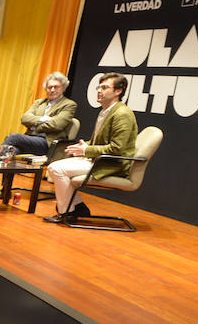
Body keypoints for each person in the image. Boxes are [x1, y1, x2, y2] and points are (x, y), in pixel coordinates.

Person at [46, 72, 138, 223]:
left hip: (111, 164)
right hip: (98, 159)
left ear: (118, 91)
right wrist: (85, 145)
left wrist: (86, 150)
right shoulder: (106, 110)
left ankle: (68, 212)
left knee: (56, 169)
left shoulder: (122, 114)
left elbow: (117, 148)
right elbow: (100, 141)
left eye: (105, 87)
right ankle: (76, 207)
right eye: (99, 87)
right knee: (54, 167)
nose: (99, 90)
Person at [0, 72, 78, 161]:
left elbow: (56, 125)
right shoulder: (39, 102)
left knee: (13, 138)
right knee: (13, 150)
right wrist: (43, 119)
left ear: (63, 88)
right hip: (31, 140)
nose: (52, 90)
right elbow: (24, 118)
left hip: (48, 143)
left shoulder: (69, 104)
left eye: (56, 87)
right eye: (49, 87)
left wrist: (35, 126)